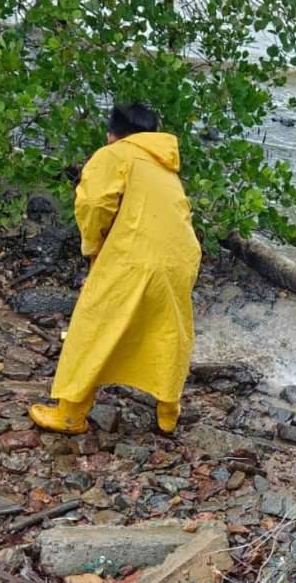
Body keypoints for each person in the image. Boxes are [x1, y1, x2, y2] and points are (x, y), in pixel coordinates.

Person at [29, 103, 201, 435]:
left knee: (93, 325)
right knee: (167, 332)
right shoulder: (165, 168)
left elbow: (94, 204)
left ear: (113, 133)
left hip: (134, 258)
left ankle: (70, 414)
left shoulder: (114, 154)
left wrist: (92, 244)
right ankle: (168, 412)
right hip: (182, 259)